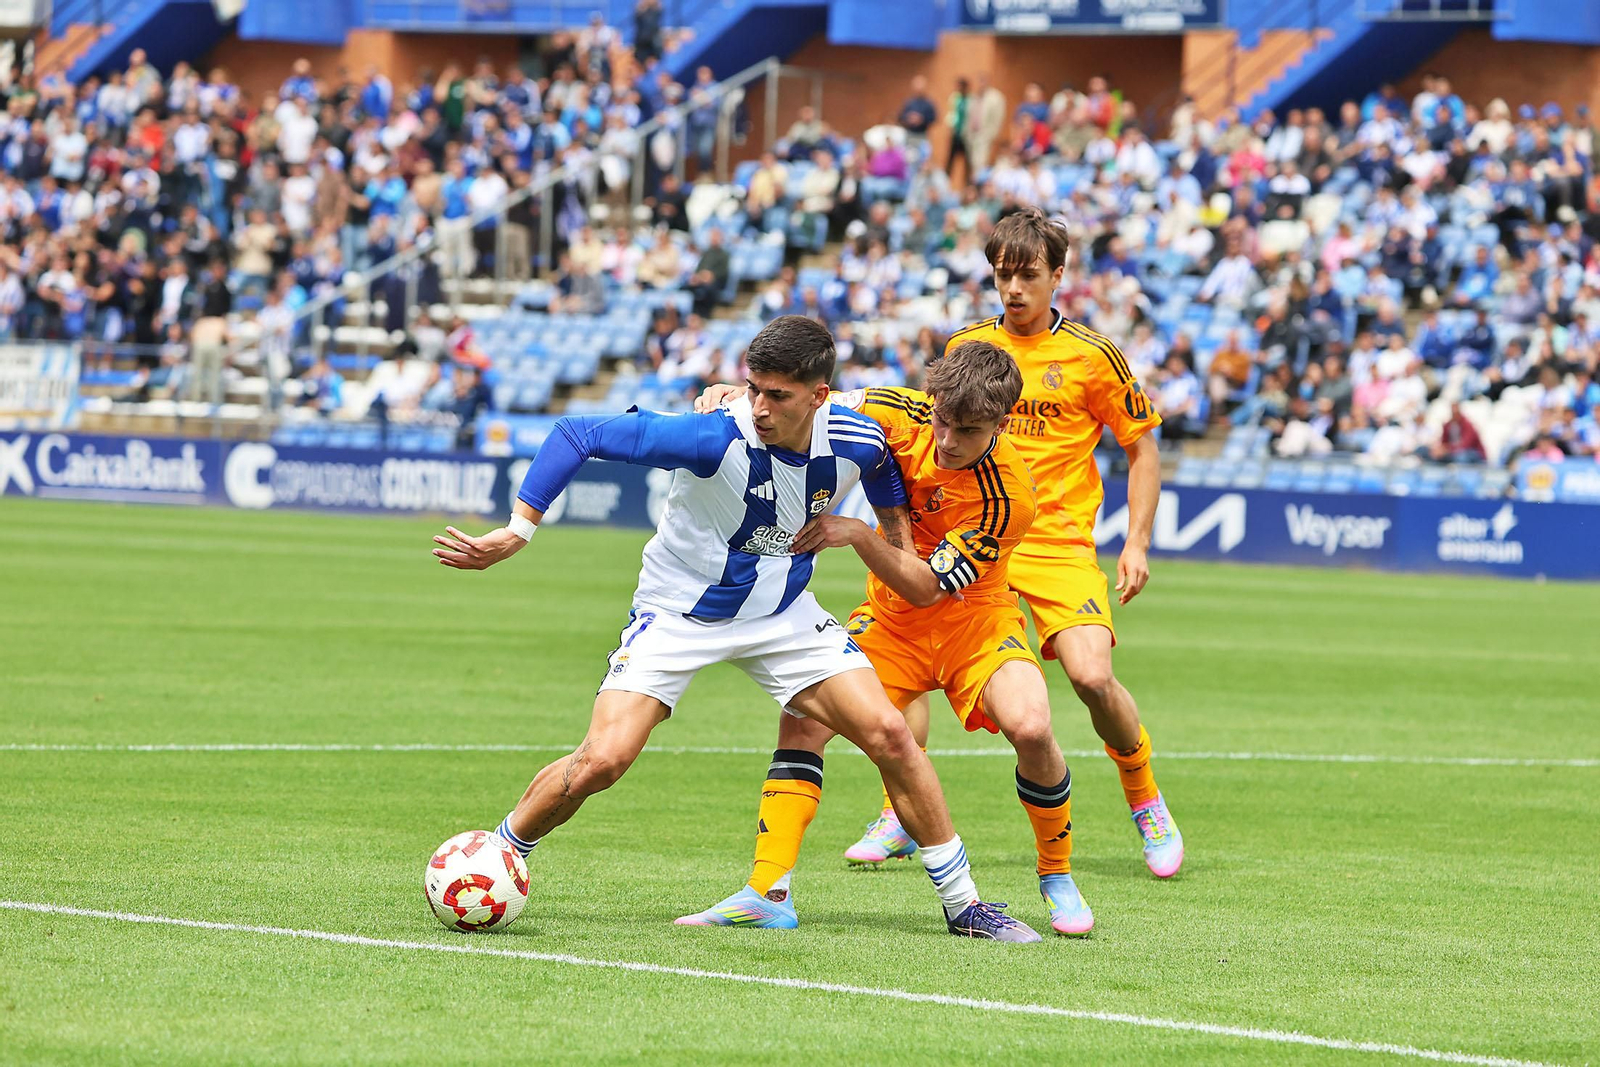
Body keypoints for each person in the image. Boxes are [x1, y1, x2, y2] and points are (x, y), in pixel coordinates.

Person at [431, 316, 1039, 941]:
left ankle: (965, 905)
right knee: (604, 761)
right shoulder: (710, 437)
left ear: (818, 396)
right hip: (677, 616)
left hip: (782, 614)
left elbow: (883, 469)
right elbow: (577, 431)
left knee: (888, 732)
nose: (761, 406)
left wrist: (892, 535)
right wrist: (517, 529)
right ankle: (502, 850)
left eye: (778, 395)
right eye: (754, 389)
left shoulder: (858, 439)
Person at [685, 341, 1095, 936]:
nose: (949, 440)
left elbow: (930, 589)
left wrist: (856, 533)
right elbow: (803, 403)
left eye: (969, 430)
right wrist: (731, 400)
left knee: (1031, 726)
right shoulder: (894, 411)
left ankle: (1055, 874)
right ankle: (767, 890)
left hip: (973, 624)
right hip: (889, 624)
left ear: (1002, 425)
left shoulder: (1010, 497)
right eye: (943, 421)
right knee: (802, 720)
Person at [917, 207, 1183, 878]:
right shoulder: (967, 348)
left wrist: (1137, 542)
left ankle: (1144, 794)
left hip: (1060, 544)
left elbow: (1141, 448)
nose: (1012, 288)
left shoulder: (1092, 357)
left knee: (1092, 675)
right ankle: (903, 813)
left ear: (1058, 275)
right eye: (1002, 275)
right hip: (981, 542)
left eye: (1027, 274)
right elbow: (934, 441)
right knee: (919, 659)